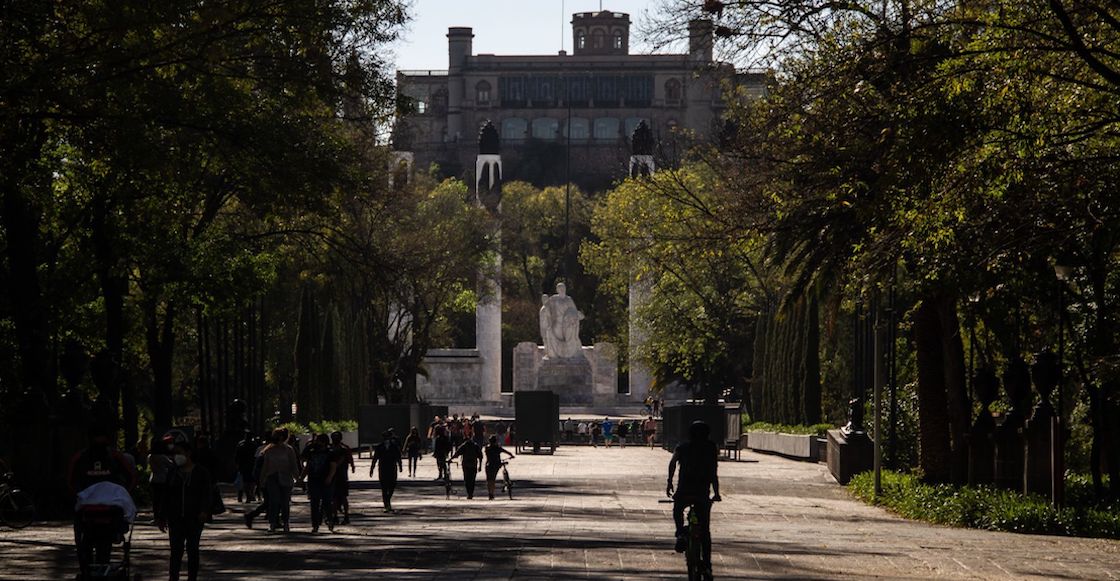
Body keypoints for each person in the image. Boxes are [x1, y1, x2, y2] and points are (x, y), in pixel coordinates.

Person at [69, 424, 138, 576]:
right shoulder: (114, 456)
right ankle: (95, 569)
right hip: (102, 509)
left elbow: (71, 481)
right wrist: (122, 495)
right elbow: (131, 478)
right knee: (96, 545)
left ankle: (91, 570)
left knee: (88, 544)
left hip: (93, 509)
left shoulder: (83, 457)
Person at [666, 420, 722, 565]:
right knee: (705, 531)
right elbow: (713, 472)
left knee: (678, 509)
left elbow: (672, 463)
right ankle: (707, 564)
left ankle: (680, 533)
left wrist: (669, 481)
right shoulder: (711, 447)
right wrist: (716, 493)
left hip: (684, 489)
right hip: (702, 492)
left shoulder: (683, 446)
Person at [158, 440, 214, 581]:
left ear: (188, 453)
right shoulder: (173, 472)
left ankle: (192, 577)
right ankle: (173, 577)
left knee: (192, 549)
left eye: (179, 453)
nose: (176, 456)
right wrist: (161, 516)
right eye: (174, 453)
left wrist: (204, 511)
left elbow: (207, 493)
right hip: (175, 518)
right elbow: (165, 495)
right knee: (176, 551)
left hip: (194, 518)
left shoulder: (201, 472)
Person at [258, 428, 300, 532]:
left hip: (286, 478)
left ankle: (286, 522)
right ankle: (272, 523)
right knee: (274, 501)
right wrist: (262, 479)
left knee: (285, 502)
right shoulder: (268, 450)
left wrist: (297, 477)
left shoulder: (289, 450)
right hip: (272, 478)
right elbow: (265, 466)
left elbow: (293, 465)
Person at [301, 433, 338, 532]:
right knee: (314, 503)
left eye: (319, 441)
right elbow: (308, 466)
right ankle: (315, 524)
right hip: (314, 480)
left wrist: (329, 478)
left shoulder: (330, 453)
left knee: (327, 502)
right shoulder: (312, 452)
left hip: (325, 480)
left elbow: (333, 467)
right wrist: (301, 478)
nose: (317, 443)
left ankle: (330, 521)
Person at [369, 429, 403, 512]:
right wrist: (372, 468)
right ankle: (387, 504)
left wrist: (400, 466)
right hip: (383, 469)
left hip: (392, 468)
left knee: (392, 485)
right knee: (384, 487)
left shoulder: (394, 446)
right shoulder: (379, 447)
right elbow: (375, 458)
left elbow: (398, 457)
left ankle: (387, 500)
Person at [329, 431, 356, 524]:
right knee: (336, 497)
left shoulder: (339, 449)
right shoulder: (340, 448)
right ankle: (338, 516)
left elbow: (346, 459)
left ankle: (343, 516)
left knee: (339, 497)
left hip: (340, 476)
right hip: (339, 476)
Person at [148, 434, 175, 522]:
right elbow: (171, 465)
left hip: (154, 479)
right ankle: (163, 516)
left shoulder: (150, 457)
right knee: (163, 499)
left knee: (155, 500)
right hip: (163, 479)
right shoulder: (162, 457)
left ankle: (156, 517)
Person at [482, 435, 515, 500]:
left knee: (489, 480)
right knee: (493, 479)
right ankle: (492, 493)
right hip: (496, 465)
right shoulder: (497, 448)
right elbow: (507, 452)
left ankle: (490, 493)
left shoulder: (487, 448)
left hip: (488, 465)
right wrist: (511, 456)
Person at [235, 430, 258, 503]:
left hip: (243, 465)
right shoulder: (254, 445)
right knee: (251, 481)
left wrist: (237, 464)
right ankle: (250, 495)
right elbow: (256, 456)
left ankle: (246, 495)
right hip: (252, 465)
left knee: (244, 481)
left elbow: (237, 456)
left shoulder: (241, 444)